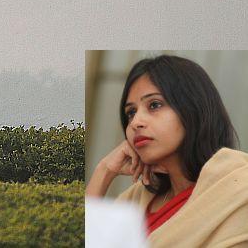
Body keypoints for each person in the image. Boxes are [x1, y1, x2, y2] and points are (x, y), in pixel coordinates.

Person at [86, 55, 248, 247]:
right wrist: (104, 171)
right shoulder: (134, 201)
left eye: (154, 105)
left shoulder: (238, 191)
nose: (136, 122)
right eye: (131, 112)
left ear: (192, 108)